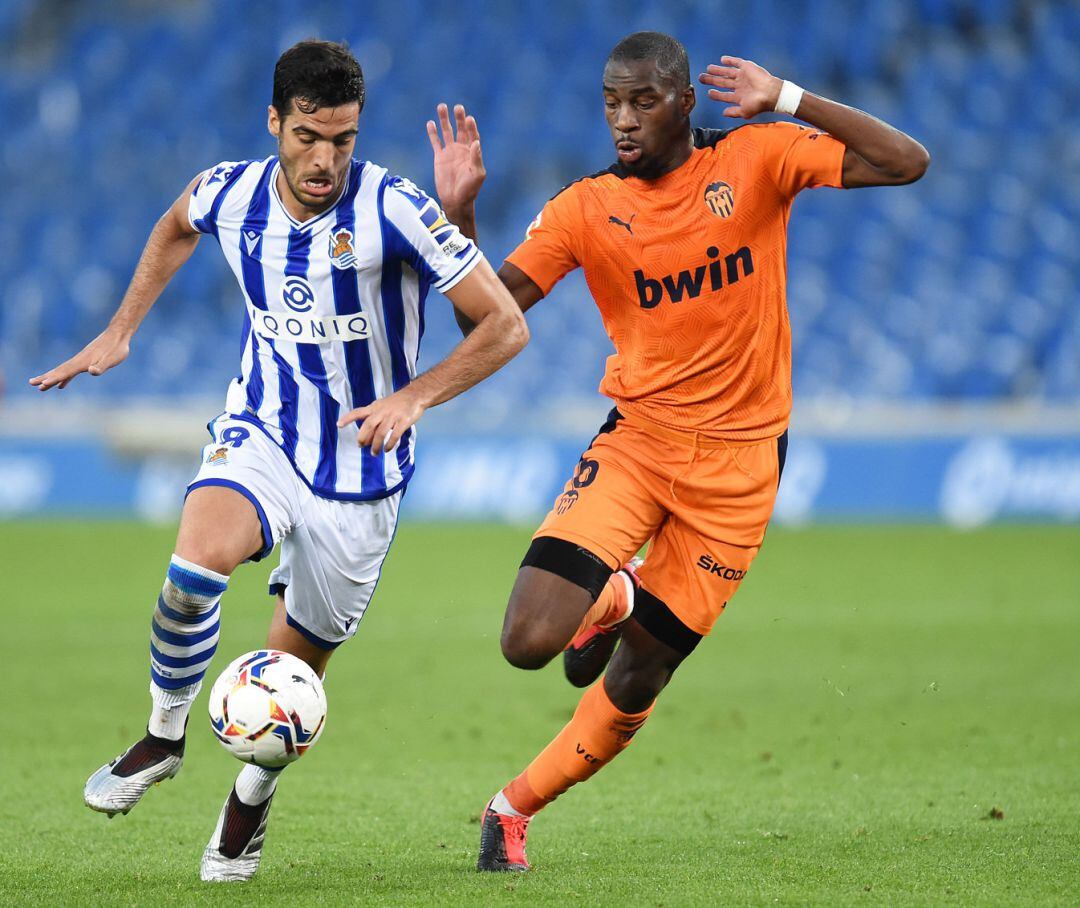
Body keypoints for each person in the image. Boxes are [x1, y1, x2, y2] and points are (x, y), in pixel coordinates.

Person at [428, 30, 928, 871]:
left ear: (687, 102)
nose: (623, 120)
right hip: (640, 447)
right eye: (611, 103)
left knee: (636, 679)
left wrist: (790, 99)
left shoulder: (759, 158)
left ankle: (511, 809)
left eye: (643, 101)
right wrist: (460, 214)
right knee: (526, 642)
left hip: (739, 474)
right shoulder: (586, 207)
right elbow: (487, 318)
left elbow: (907, 160)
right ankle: (611, 596)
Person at [30, 39, 527, 882]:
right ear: (275, 122)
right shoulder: (230, 189)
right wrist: (121, 331)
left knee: (290, 684)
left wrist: (413, 398)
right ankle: (161, 734)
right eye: (306, 137)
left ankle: (248, 808)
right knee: (194, 567)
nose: (325, 158)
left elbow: (504, 325)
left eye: (342, 139)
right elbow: (175, 223)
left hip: (363, 475)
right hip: (262, 430)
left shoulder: (395, 209)